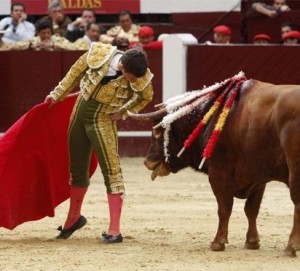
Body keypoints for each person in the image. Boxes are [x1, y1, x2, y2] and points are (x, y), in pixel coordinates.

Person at [44, 43, 154, 242]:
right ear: (122, 66)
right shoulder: (99, 54)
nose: (132, 81)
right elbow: (75, 72)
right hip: (78, 116)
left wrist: (124, 112)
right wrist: (56, 95)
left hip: (103, 121)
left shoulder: (140, 74)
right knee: (77, 170)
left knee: (112, 172)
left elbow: (146, 96)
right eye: (130, 77)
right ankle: (73, 219)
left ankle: (114, 230)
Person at [10, 19, 76, 51]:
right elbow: (12, 47)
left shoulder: (58, 40)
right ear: (38, 33)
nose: (46, 35)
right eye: (43, 33)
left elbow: (73, 47)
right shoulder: (33, 41)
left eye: (48, 32)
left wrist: (53, 46)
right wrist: (30, 47)